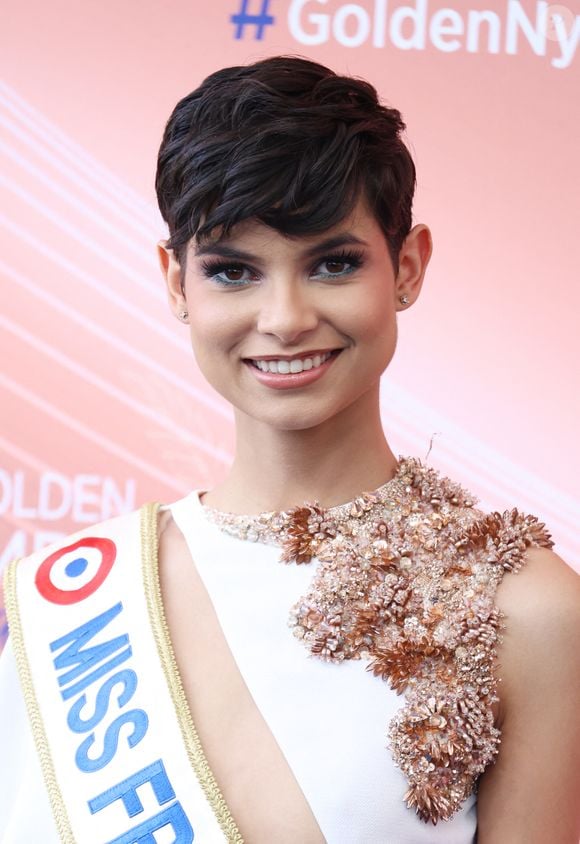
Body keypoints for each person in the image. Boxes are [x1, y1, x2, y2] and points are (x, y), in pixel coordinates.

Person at [1, 55, 579, 844]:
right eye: (233, 271)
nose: (284, 318)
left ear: (406, 267)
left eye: (333, 264)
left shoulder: (526, 610)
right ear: (175, 283)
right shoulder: (63, 603)